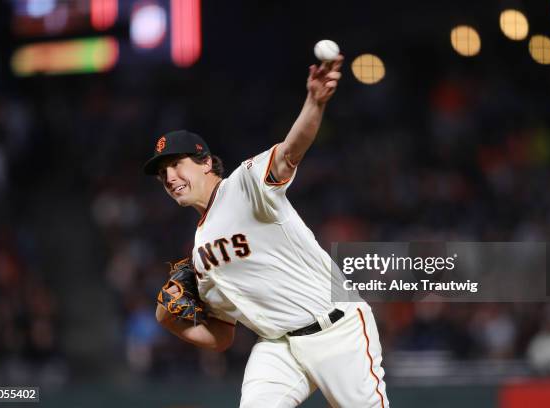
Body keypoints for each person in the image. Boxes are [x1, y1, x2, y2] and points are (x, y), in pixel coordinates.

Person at [144, 55, 388, 407]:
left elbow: (290, 152)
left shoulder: (244, 185)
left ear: (206, 162)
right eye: (161, 173)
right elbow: (221, 336)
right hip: (279, 346)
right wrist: (169, 322)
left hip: (337, 329)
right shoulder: (199, 251)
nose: (168, 178)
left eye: (176, 164)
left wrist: (314, 102)